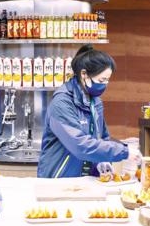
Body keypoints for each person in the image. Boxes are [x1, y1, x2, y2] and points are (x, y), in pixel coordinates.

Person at [37, 45, 140, 178]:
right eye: (101, 80)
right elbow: (80, 145)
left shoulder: (95, 102)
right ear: (84, 74)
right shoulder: (62, 103)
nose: (104, 85)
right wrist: (124, 152)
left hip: (83, 180)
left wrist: (102, 160)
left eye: (107, 80)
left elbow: (102, 137)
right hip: (59, 179)